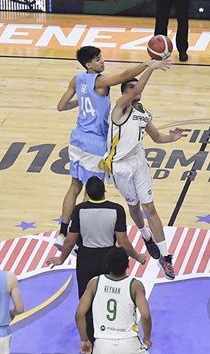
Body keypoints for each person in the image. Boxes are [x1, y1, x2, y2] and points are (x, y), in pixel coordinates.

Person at [45, 177, 148, 354]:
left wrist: (60, 258)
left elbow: (70, 241)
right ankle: (123, 346)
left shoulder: (79, 210)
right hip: (108, 259)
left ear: (88, 195)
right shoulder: (116, 209)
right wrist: (136, 256)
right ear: (104, 191)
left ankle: (88, 352)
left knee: (87, 306)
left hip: (85, 260)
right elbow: (123, 241)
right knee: (117, 301)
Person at [53, 47, 151, 250]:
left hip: (76, 139)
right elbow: (125, 76)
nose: (102, 61)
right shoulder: (100, 81)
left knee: (74, 187)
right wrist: (148, 64)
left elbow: (61, 106)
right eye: (97, 60)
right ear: (89, 64)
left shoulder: (77, 79)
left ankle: (62, 233)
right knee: (90, 193)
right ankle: (78, 239)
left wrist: (81, 101)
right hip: (94, 144)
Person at [102, 60, 184, 279]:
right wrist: (152, 67)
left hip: (138, 160)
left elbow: (157, 137)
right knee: (134, 205)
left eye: (135, 87)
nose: (135, 90)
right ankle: (144, 234)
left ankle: (165, 258)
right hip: (119, 165)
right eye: (131, 87)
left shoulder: (142, 113)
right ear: (124, 92)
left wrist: (172, 138)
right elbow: (137, 90)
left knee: (150, 207)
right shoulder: (120, 106)